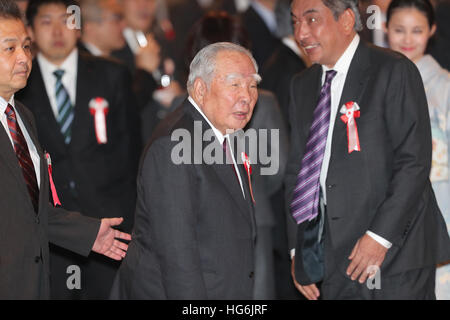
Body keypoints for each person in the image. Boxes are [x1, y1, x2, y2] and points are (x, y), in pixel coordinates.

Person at [286, 0, 450, 300]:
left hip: (396, 253)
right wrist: (300, 248)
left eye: (311, 20)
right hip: (333, 256)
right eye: (295, 22)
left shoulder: (393, 69)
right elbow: (298, 171)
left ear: (347, 20)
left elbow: (413, 161)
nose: (301, 33)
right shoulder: (302, 84)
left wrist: (379, 237)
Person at [0, 0, 130, 299]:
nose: (23, 58)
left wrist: (87, 232)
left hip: (33, 279)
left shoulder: (21, 116)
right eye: (10, 49)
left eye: (26, 47)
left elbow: (29, 211)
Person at [110, 42, 260, 299]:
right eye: (234, 85)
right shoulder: (173, 145)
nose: (246, 96)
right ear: (200, 89)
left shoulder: (226, 131)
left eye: (252, 85)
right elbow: (177, 255)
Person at [385, 0, 450, 300]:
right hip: (385, 209)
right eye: (399, 30)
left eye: (417, 30)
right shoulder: (374, 82)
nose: (407, 40)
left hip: (441, 202)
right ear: (385, 29)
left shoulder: (446, 87)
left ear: (432, 30)